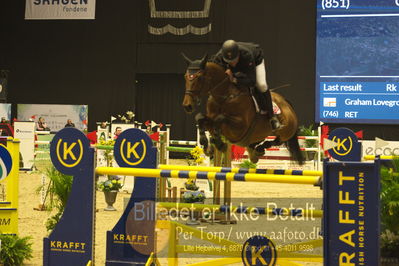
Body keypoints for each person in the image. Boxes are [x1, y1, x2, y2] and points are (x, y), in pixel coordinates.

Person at [212, 40, 282, 130]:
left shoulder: (246, 55)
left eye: (234, 60)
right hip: (239, 65)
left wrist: (234, 79)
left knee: (261, 85)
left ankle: (272, 117)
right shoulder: (219, 58)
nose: (232, 63)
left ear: (238, 54)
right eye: (229, 61)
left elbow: (251, 81)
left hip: (255, 60)